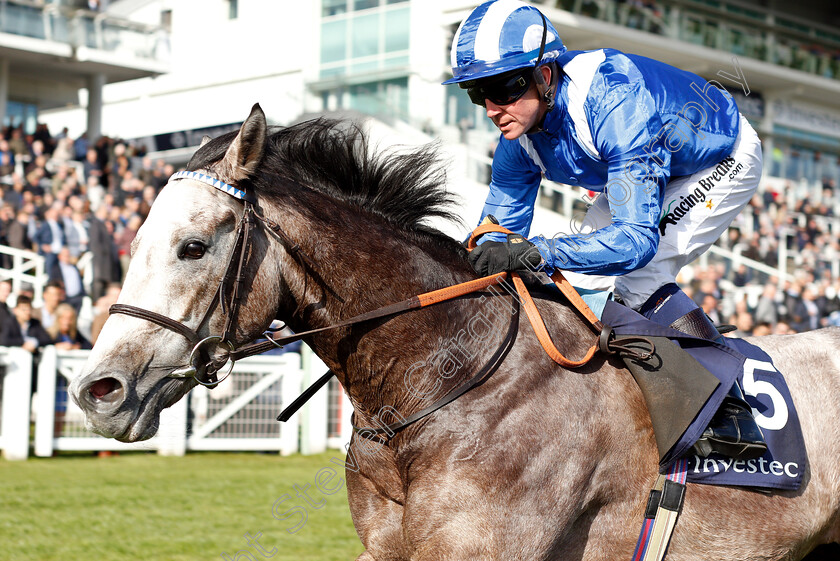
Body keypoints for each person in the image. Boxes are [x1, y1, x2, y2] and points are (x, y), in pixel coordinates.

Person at [446, 0, 765, 459]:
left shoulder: (613, 97)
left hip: (719, 156)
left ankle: (730, 415)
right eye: (478, 93)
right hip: (648, 168)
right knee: (574, 286)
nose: (494, 108)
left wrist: (537, 252)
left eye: (505, 87)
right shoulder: (516, 144)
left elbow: (636, 240)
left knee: (639, 275)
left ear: (546, 75)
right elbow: (495, 235)